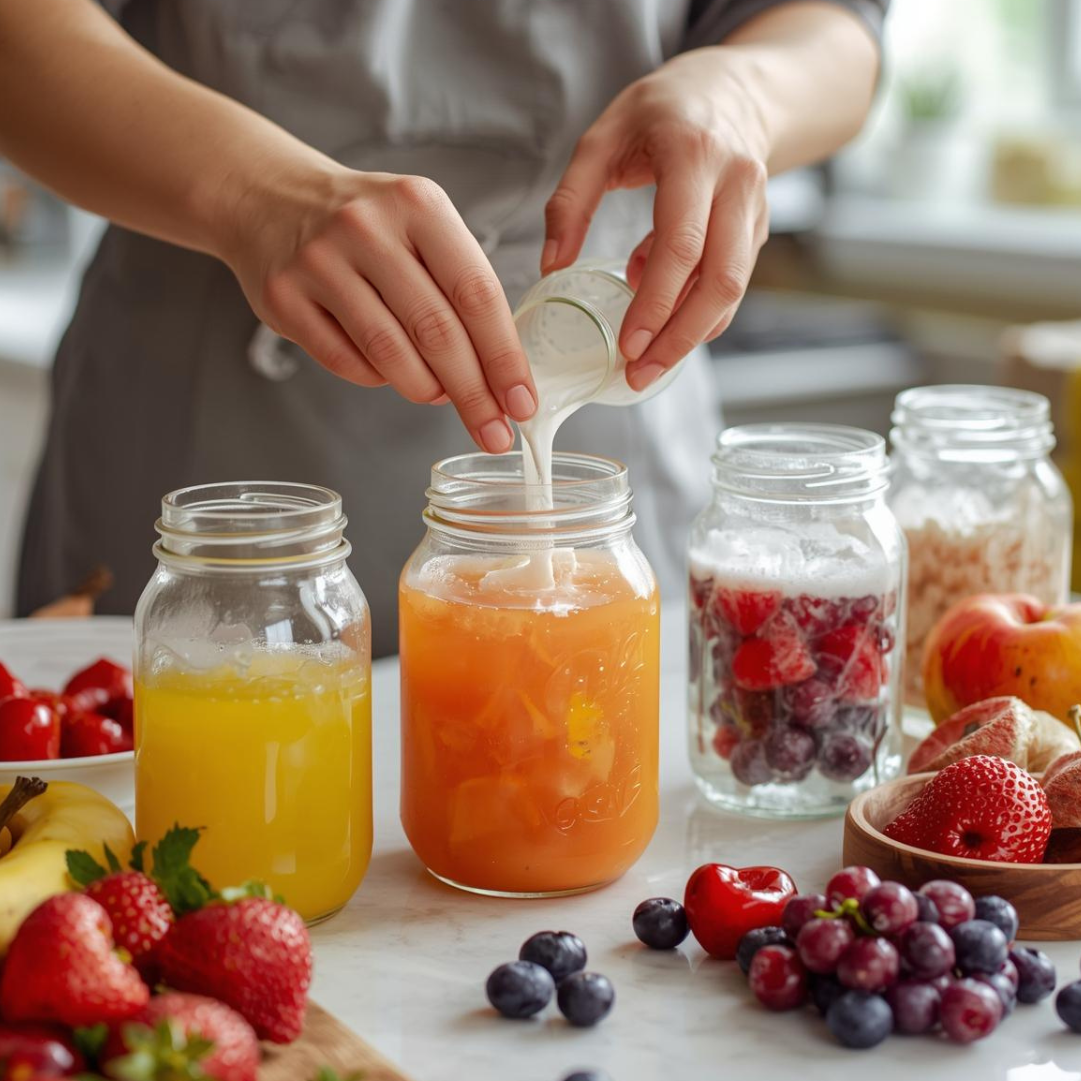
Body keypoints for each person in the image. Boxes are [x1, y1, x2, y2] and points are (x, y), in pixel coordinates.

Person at [0, 0, 887, 656]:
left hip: (605, 386)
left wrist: (743, 92)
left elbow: (836, 26)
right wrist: (250, 193)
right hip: (205, 420)